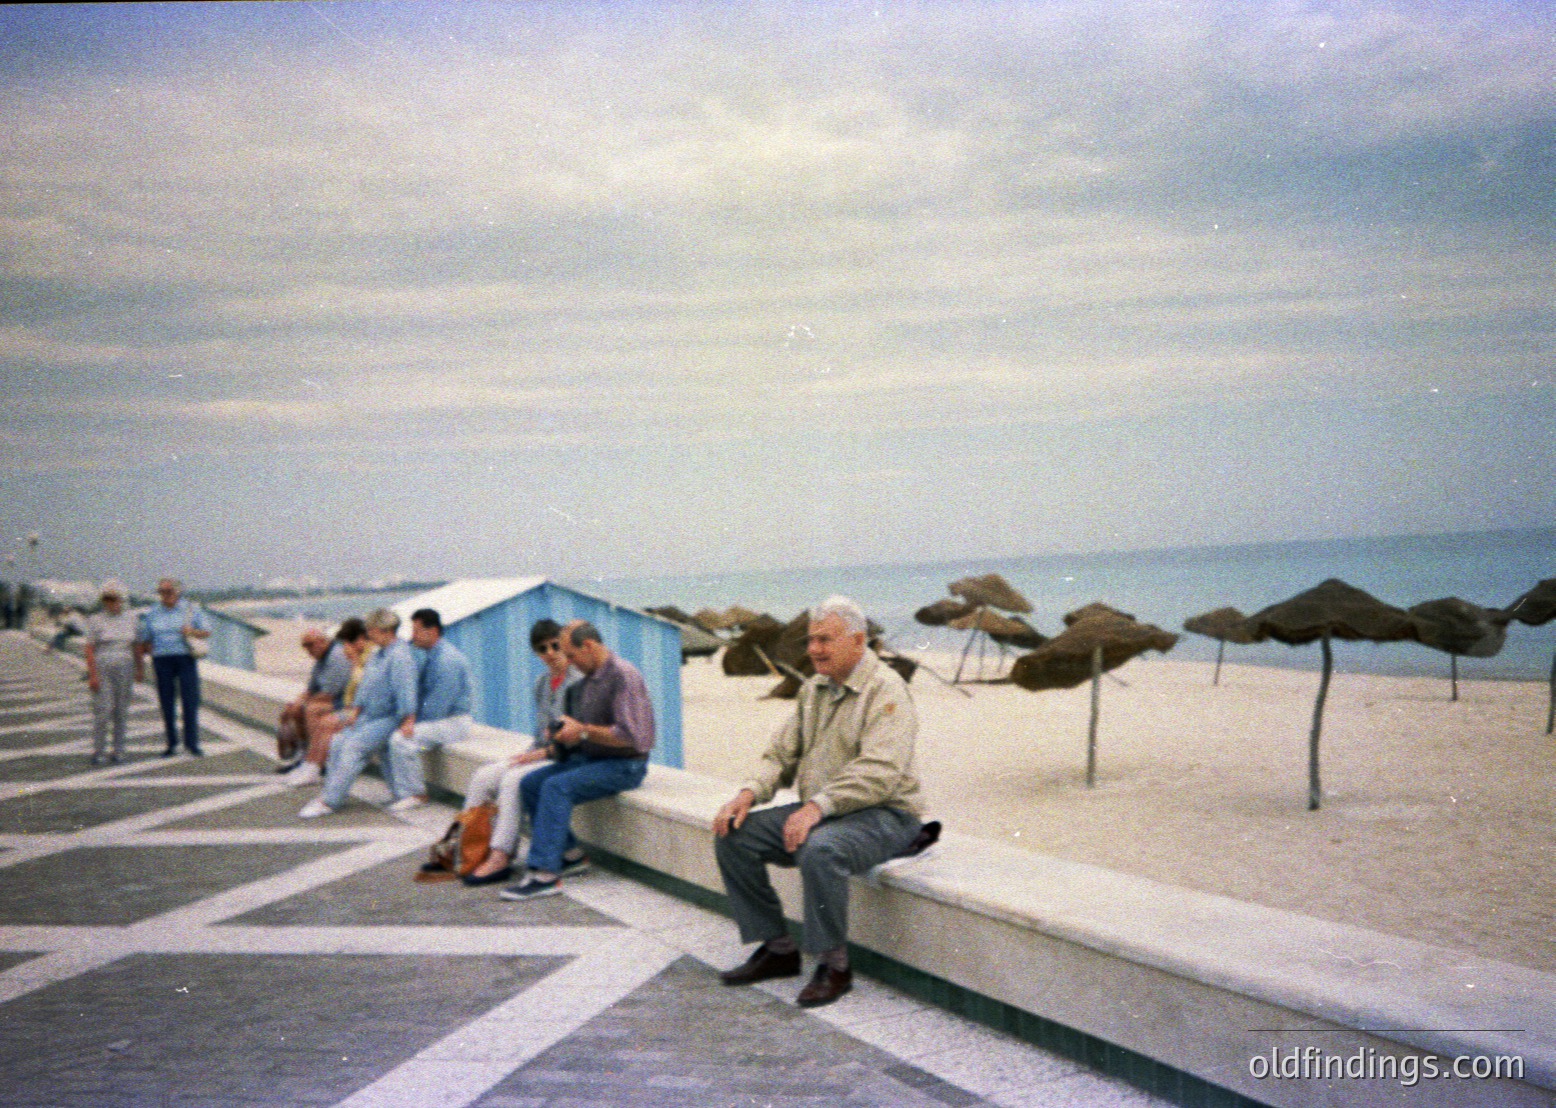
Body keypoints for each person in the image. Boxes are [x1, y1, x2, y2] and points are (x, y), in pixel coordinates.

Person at [712, 595, 924, 1008]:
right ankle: (778, 950)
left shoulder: (886, 690)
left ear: (858, 641)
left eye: (825, 640)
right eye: (811, 640)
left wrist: (816, 808)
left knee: (821, 849)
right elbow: (781, 754)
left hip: (886, 815)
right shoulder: (814, 690)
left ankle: (835, 965)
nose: (813, 649)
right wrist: (748, 793)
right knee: (733, 835)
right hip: (824, 812)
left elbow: (880, 772)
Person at [500, 620, 655, 900]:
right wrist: (565, 732)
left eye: (571, 655)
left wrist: (583, 730)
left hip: (625, 766)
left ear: (589, 646)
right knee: (532, 783)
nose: (568, 662)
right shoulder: (588, 680)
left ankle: (545, 874)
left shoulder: (623, 676)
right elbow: (586, 729)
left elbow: (633, 737)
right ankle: (570, 855)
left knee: (555, 787)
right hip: (593, 758)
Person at [461, 619, 579, 886]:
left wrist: (540, 754)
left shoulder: (578, 681)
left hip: (563, 757)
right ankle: (472, 847)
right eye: (542, 649)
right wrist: (526, 754)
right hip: (539, 751)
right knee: (484, 775)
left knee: (513, 781)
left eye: (554, 645)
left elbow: (575, 740)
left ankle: (502, 853)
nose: (550, 653)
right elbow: (539, 734)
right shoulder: (541, 683)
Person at [297, 608, 417, 819]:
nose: (368, 634)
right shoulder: (378, 654)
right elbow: (365, 687)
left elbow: (406, 692)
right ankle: (329, 793)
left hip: (389, 717)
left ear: (385, 630)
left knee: (354, 748)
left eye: (372, 630)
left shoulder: (400, 656)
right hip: (368, 715)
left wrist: (408, 719)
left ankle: (329, 801)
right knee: (337, 742)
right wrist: (355, 710)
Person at [385, 608, 474, 812]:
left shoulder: (447, 661)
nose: (412, 636)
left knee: (402, 739)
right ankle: (402, 791)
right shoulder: (432, 655)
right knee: (395, 733)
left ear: (432, 631)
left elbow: (437, 707)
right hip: (443, 718)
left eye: (416, 631)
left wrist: (411, 722)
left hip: (454, 722)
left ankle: (416, 794)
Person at [276, 620, 360, 786]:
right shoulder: (321, 658)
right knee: (296, 710)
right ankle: (305, 755)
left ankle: (316, 762)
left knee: (313, 710)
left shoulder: (337, 656)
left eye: (309, 645)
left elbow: (328, 695)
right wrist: (295, 704)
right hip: (334, 700)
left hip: (343, 703)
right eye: (304, 646)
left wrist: (302, 703)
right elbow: (310, 689)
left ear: (323, 641)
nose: (307, 650)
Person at [135, 577, 212, 757]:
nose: (166, 595)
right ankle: (171, 743)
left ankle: (192, 743)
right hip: (162, 660)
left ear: (178, 591)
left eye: (169, 591)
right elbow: (145, 640)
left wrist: (191, 631)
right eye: (162, 592)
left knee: (190, 701)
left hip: (185, 658)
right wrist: (142, 656)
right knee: (166, 702)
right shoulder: (153, 613)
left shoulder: (191, 610)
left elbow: (207, 632)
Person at [83, 580, 142, 766]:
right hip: (103, 662)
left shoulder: (132, 618)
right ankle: (99, 750)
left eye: (115, 599)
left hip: (125, 663)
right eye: (107, 599)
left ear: (122, 600)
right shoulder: (95, 620)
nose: (112, 603)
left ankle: (119, 750)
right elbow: (89, 648)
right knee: (103, 709)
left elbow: (137, 645)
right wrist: (92, 674)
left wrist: (139, 669)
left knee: (121, 710)